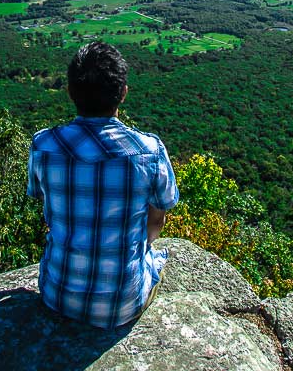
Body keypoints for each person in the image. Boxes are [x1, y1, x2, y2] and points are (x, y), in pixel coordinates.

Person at [27, 41, 179, 329]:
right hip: (124, 304)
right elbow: (156, 222)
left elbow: (44, 205)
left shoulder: (43, 145)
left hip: (56, 295)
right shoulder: (149, 151)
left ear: (70, 91)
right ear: (123, 93)